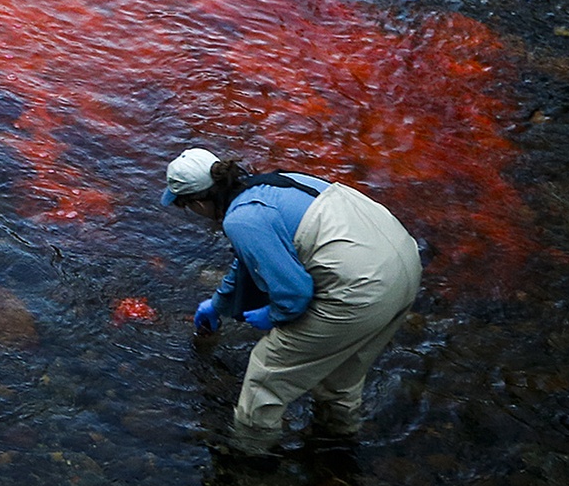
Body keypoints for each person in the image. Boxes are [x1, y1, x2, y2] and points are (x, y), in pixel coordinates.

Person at [162, 147, 421, 453]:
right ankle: (337, 444)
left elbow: (294, 294)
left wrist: (273, 316)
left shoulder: (240, 220)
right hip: (404, 264)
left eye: (185, 206)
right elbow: (251, 259)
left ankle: (250, 462)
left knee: (264, 377)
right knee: (341, 375)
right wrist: (219, 304)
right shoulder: (274, 182)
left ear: (198, 202)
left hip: (360, 289)